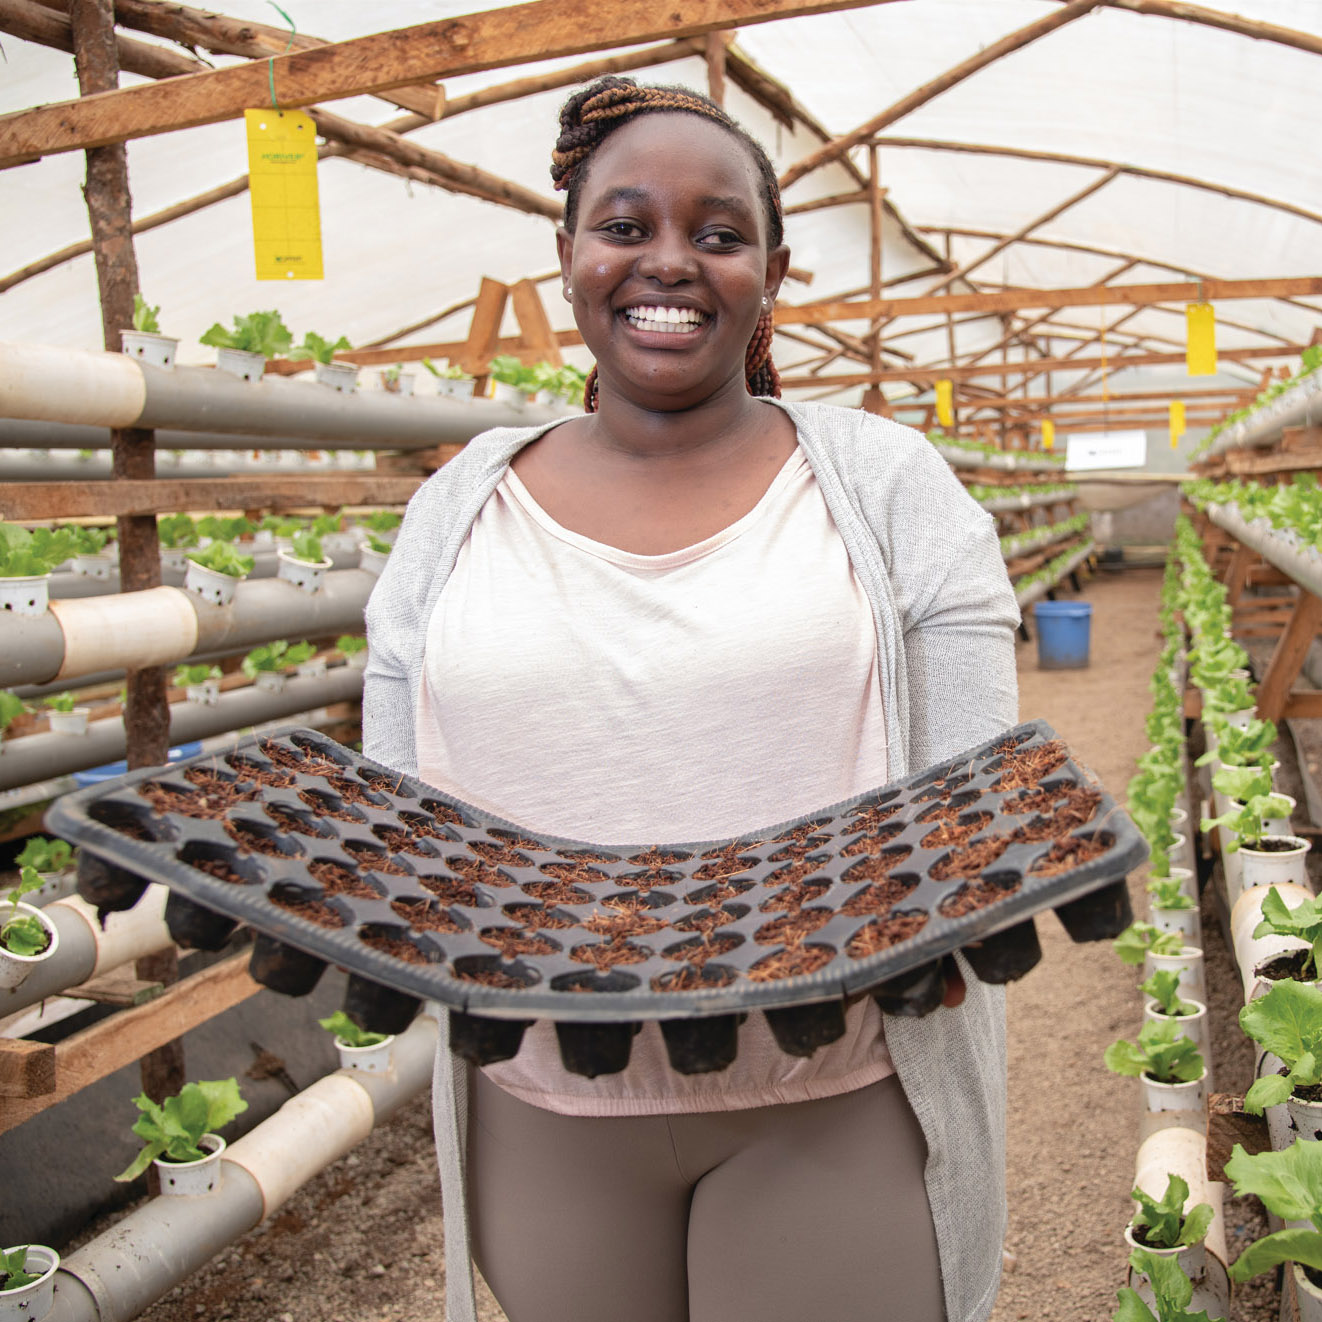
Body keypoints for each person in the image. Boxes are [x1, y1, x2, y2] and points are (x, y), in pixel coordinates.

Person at [364, 76, 1019, 1322]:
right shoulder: (457, 509)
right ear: (566, 253)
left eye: (718, 235)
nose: (667, 261)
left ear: (771, 269)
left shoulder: (882, 486)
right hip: (547, 1100)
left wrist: (945, 916)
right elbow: (400, 819)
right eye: (624, 226)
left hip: (827, 1089)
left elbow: (975, 799)